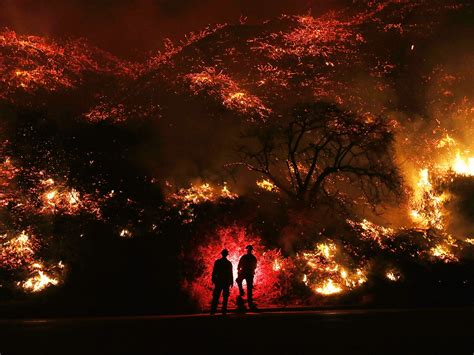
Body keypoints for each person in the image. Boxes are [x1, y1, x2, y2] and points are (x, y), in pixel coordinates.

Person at [210, 249, 233, 315]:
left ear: (222, 254)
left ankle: (213, 310)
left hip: (219, 281)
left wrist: (213, 279)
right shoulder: (228, 263)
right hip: (225, 282)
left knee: (216, 296)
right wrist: (231, 281)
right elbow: (230, 273)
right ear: (226, 255)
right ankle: (224, 311)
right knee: (225, 297)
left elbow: (214, 272)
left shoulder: (218, 262)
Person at [236, 245, 257, 309]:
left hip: (246, 273)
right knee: (248, 286)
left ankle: (247, 298)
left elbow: (239, 265)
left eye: (249, 249)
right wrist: (239, 270)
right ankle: (248, 298)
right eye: (248, 249)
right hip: (247, 273)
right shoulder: (252, 257)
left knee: (248, 286)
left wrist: (239, 271)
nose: (249, 250)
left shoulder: (246, 257)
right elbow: (255, 266)